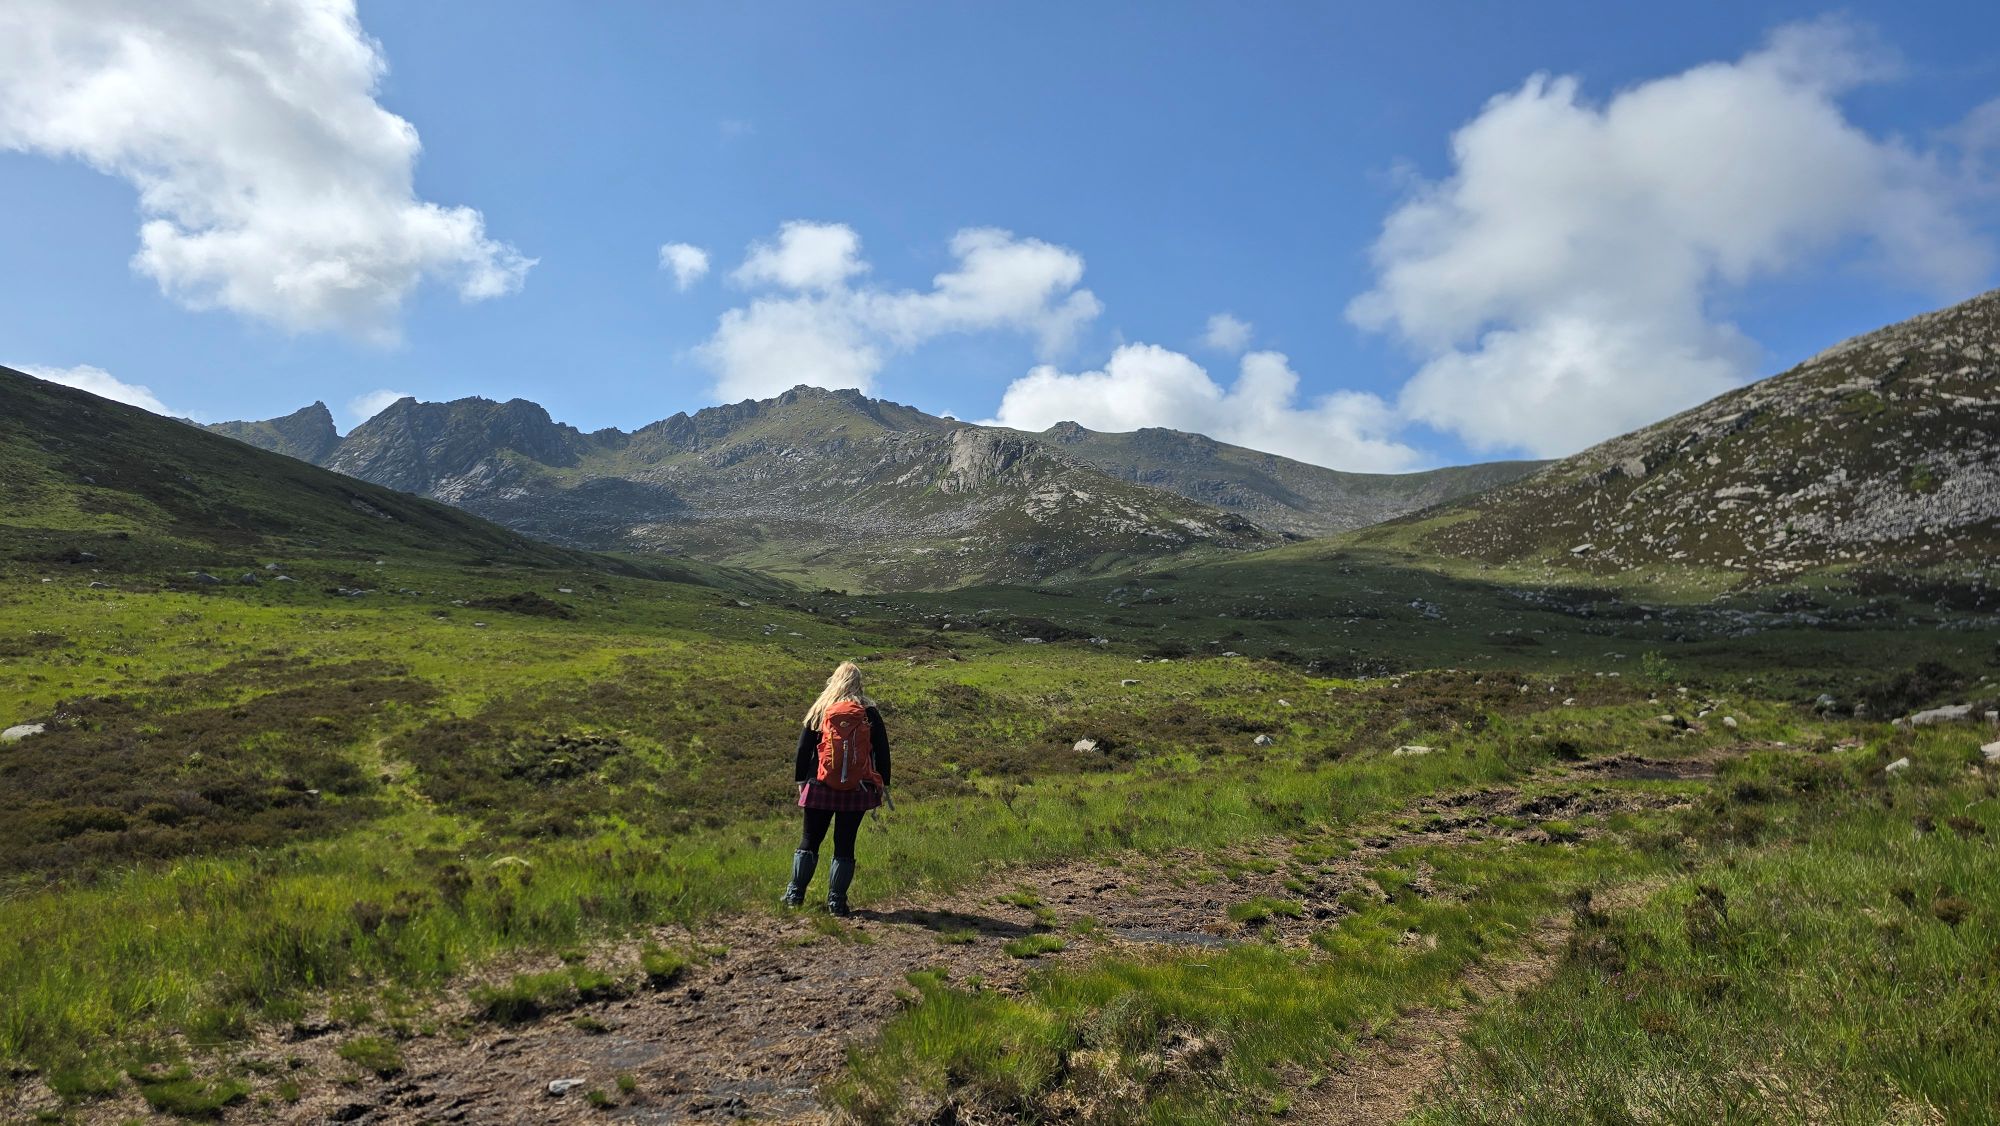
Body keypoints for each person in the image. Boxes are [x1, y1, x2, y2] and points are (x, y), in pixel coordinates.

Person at [783, 661, 891, 916]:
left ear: (834, 679)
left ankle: (794, 896)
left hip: (818, 784)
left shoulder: (821, 709)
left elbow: (803, 749)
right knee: (845, 843)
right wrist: (883, 784)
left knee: (810, 839)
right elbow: (883, 751)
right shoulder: (868, 712)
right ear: (858, 682)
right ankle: (837, 903)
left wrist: (801, 780)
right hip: (858, 788)